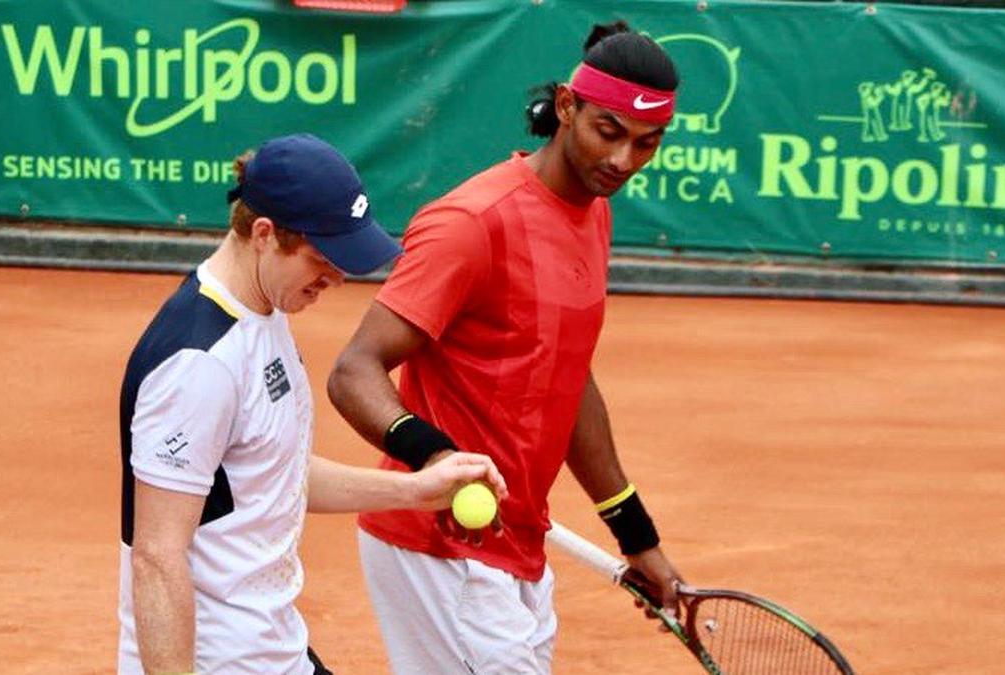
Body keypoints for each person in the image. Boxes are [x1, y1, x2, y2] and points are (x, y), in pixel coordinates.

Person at [327, 22, 683, 673]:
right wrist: (435, 456)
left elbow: (567, 375)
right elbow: (355, 370)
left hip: (517, 542)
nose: (624, 160)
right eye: (610, 132)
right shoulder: (473, 224)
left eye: (647, 143)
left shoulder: (593, 214)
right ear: (568, 106)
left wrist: (638, 536)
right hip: (441, 545)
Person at [116, 133, 507, 674]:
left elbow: (270, 472)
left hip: (272, 647)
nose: (339, 278)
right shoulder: (199, 363)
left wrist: (414, 491)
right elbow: (156, 558)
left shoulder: (262, 313)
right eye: (325, 258)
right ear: (264, 234)